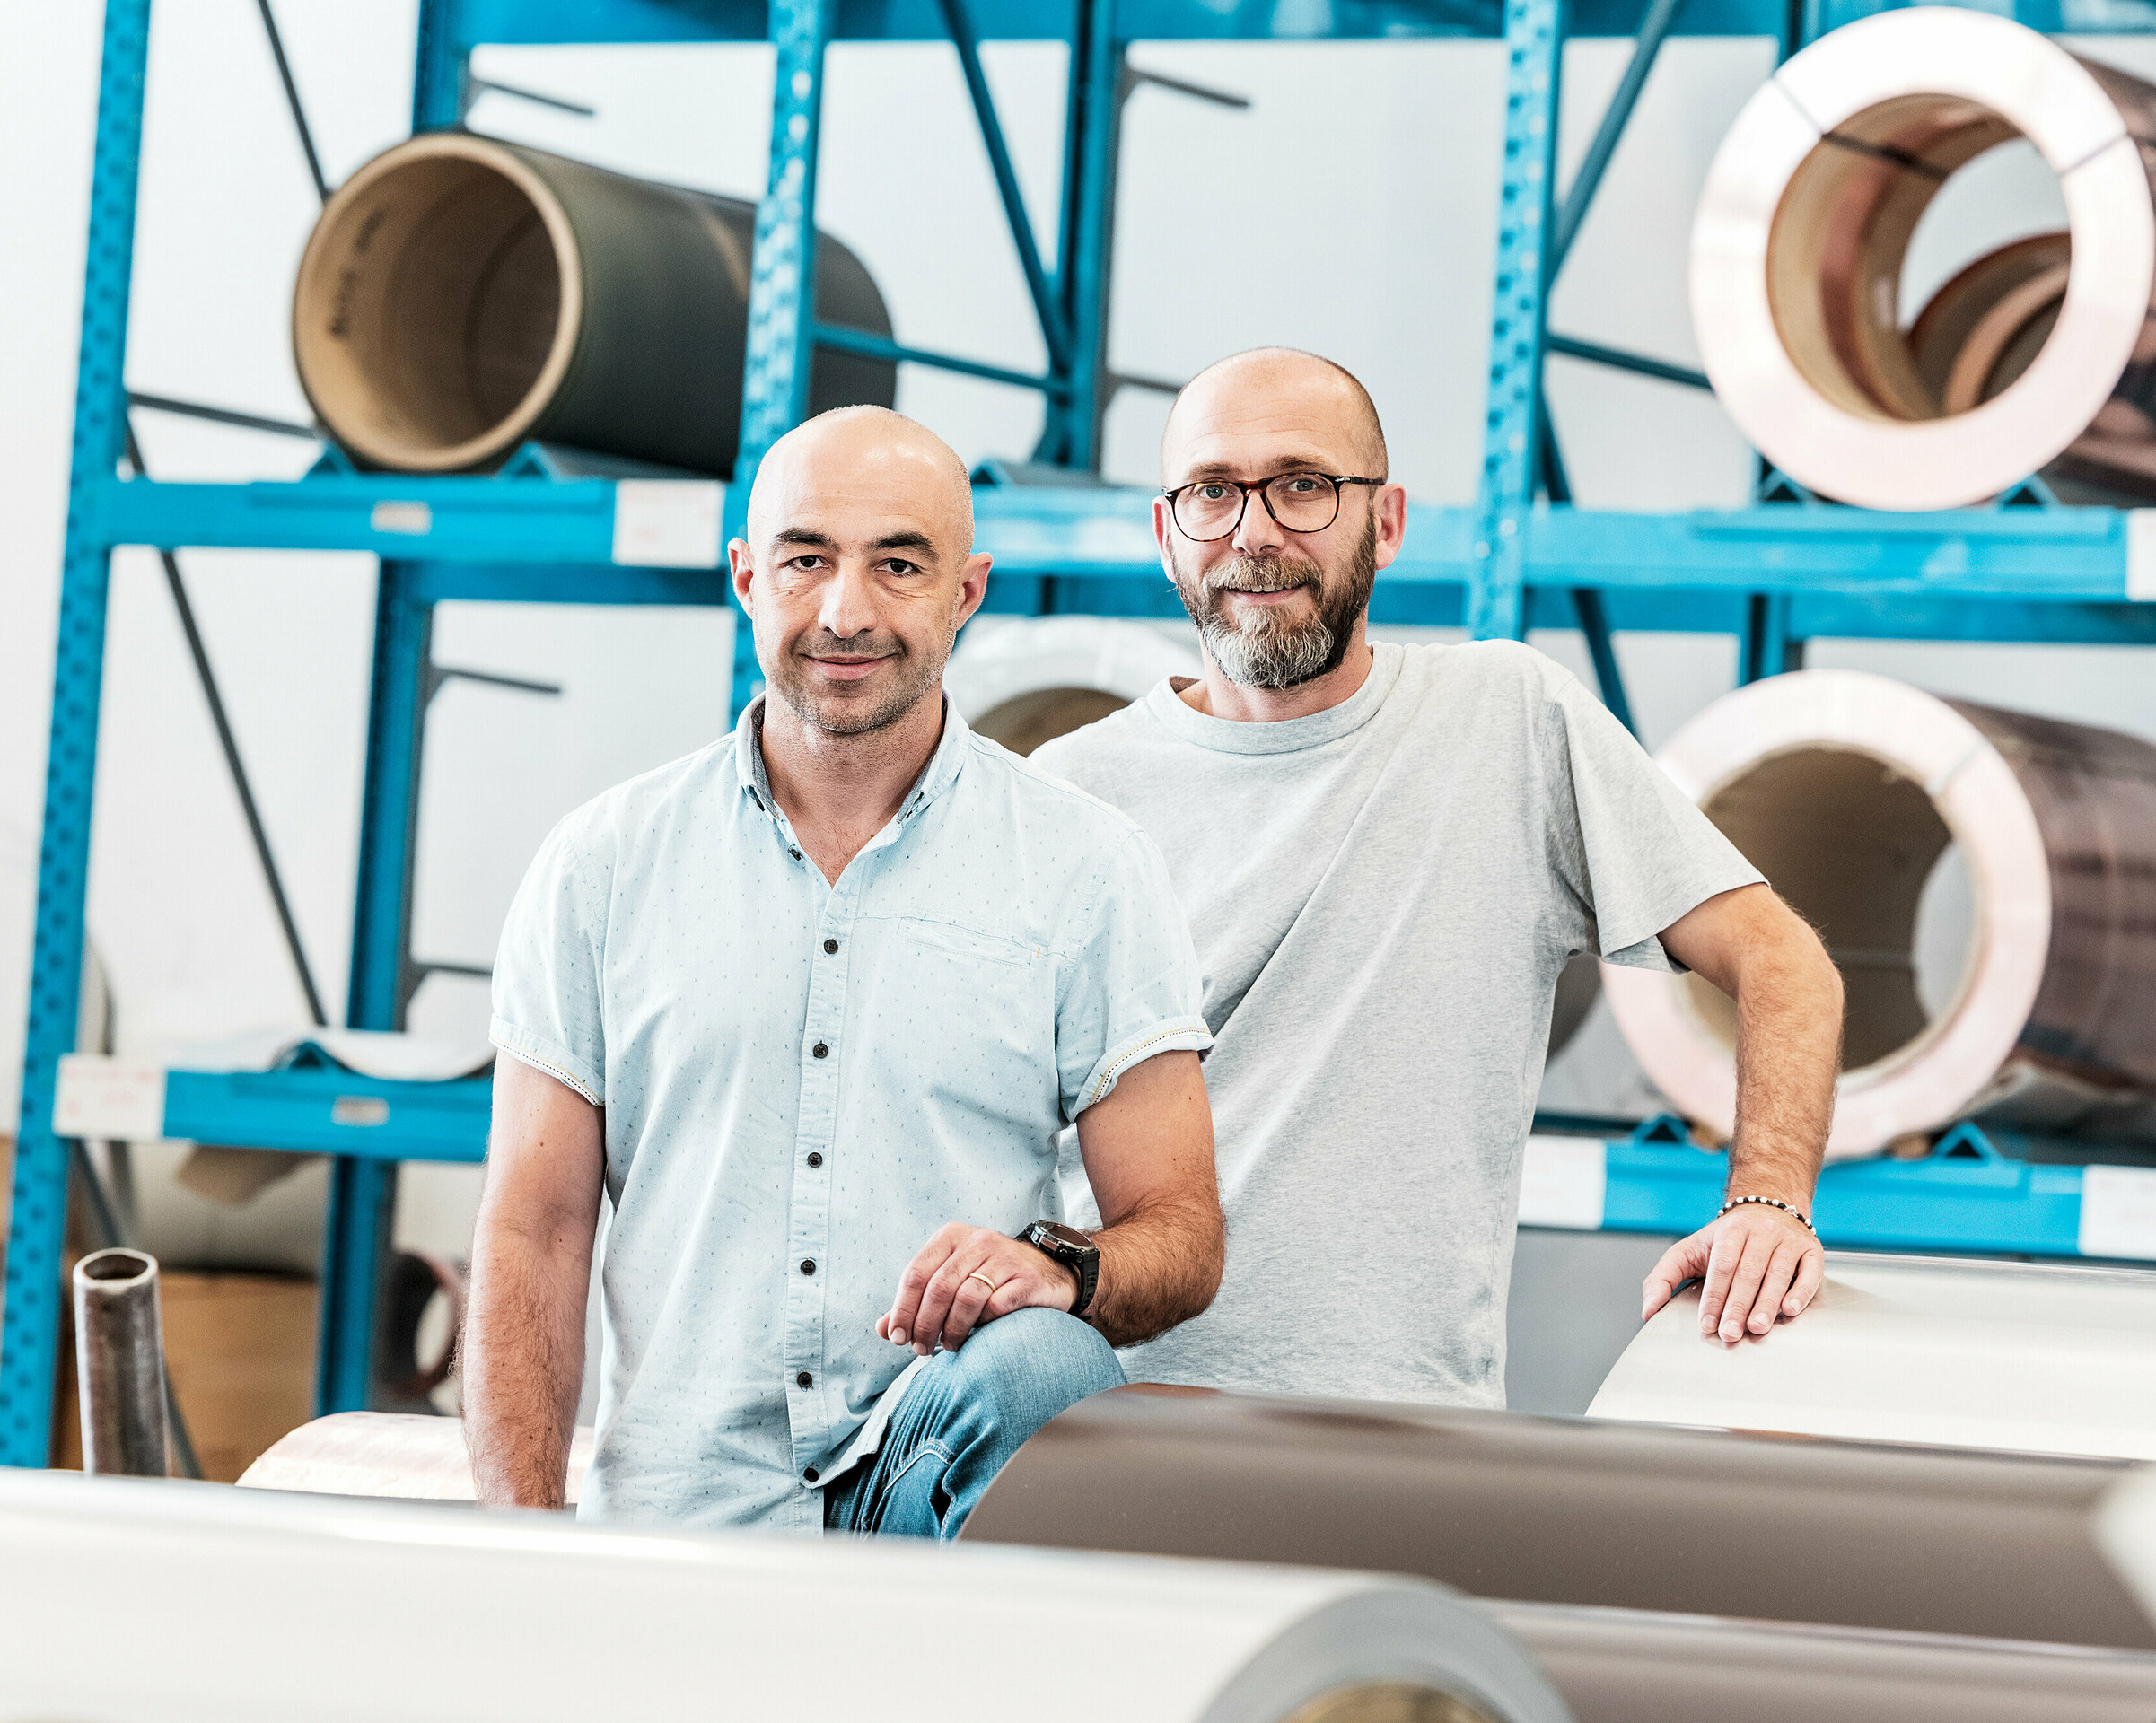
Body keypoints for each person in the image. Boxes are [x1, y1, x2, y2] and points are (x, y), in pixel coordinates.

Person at [1033, 349, 1843, 1408]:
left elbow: (1784, 962)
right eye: (1213, 492)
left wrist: (1769, 1200)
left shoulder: (1507, 719)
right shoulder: (1069, 795)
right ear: (1166, 534)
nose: (1254, 530)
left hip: (1406, 1429)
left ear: (1388, 521)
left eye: (1304, 486)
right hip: (1102, 1423)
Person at [463, 407, 1223, 1532]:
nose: (846, 611)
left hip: (935, 1492)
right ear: (745, 577)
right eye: (806, 558)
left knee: (1044, 1365)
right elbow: (534, 1231)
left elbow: (1181, 1229)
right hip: (682, 1516)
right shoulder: (604, 865)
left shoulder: (1085, 869)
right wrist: (519, 1550)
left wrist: (1061, 1272)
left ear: (966, 593)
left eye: (899, 564)